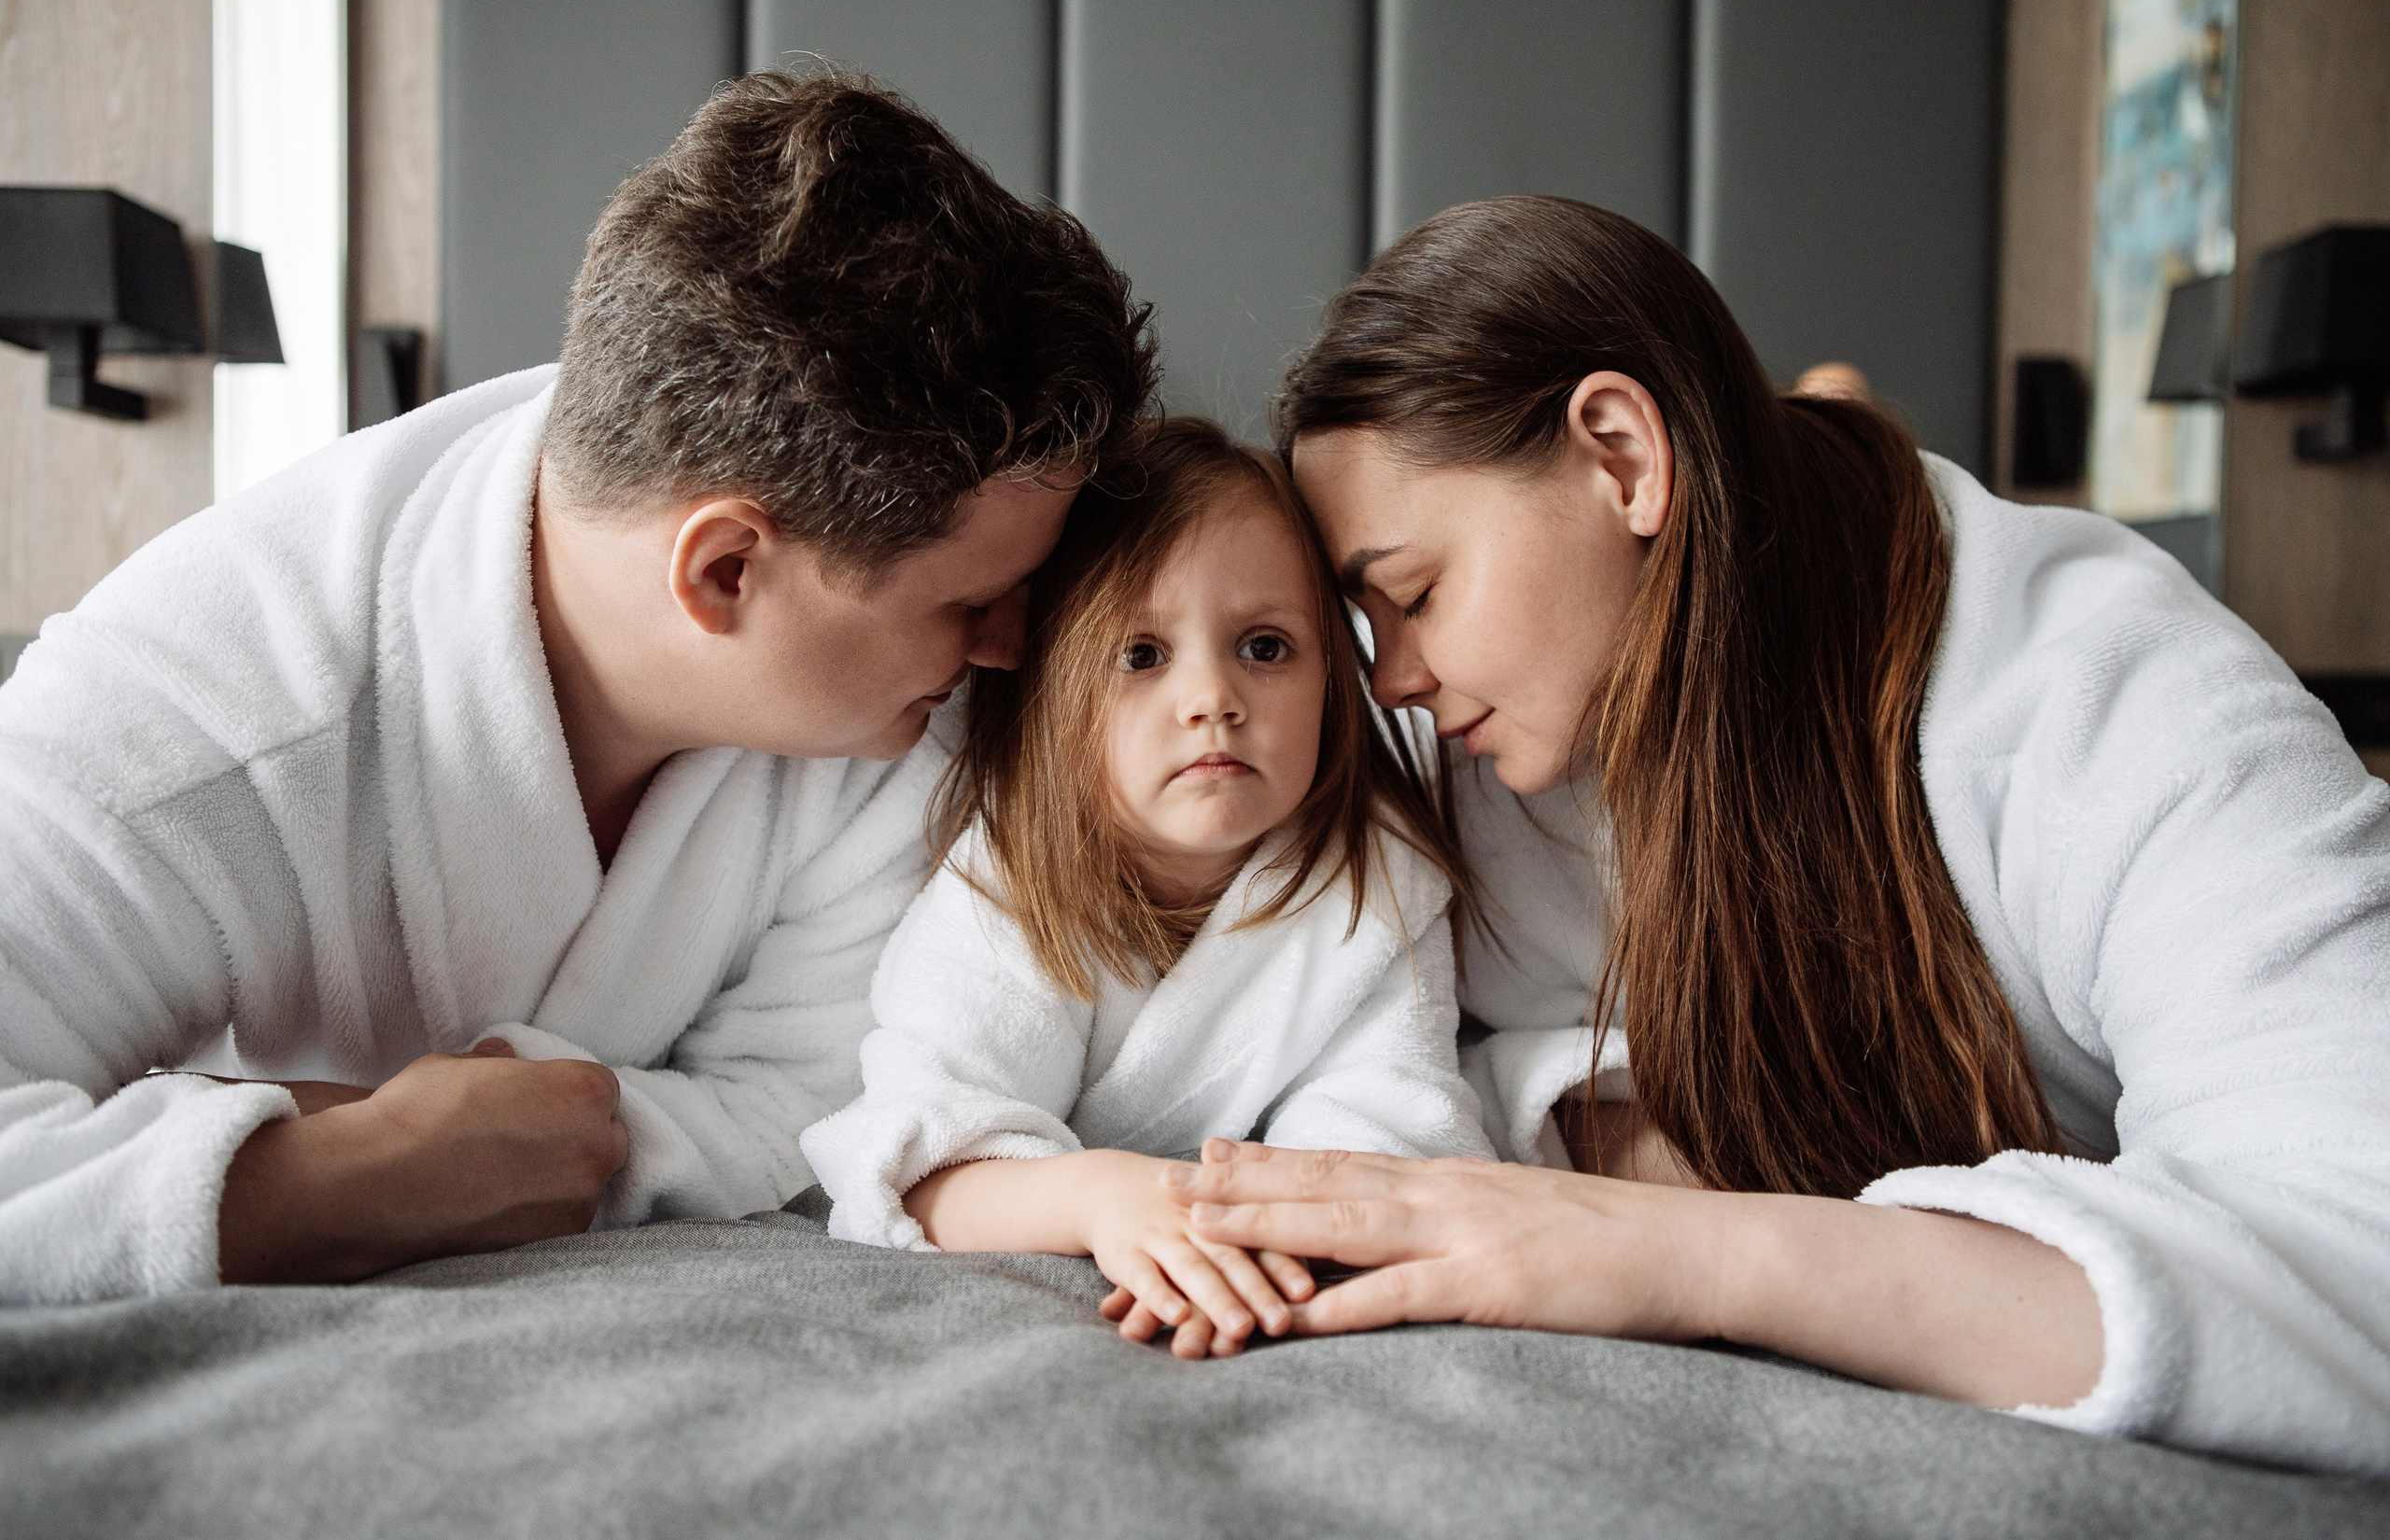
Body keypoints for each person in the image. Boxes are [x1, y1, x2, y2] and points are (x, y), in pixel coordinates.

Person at [1160, 196, 2390, 1477]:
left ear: (1621, 458)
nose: (1394, 676)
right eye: (1367, 623)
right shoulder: (1488, 727)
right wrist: (1603, 1119)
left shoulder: (2124, 711)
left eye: (1415, 593)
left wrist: (1679, 1246)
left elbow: (2358, 1262)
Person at [0, 72, 1156, 1304]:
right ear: (724, 570)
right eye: (968, 603)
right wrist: (358, 1175)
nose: (1012, 648)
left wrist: (540, 1136)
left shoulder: (901, 722)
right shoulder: (192, 712)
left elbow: (815, 1099)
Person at [801, 418, 1492, 1360]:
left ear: (1335, 680)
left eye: (1264, 646)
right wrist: (1099, 1198)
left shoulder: (1374, 879)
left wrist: (1270, 1239)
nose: (1213, 698)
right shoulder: (1005, 882)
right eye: (1141, 656)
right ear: (1050, 691)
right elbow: (920, 1161)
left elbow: (1387, 1114)